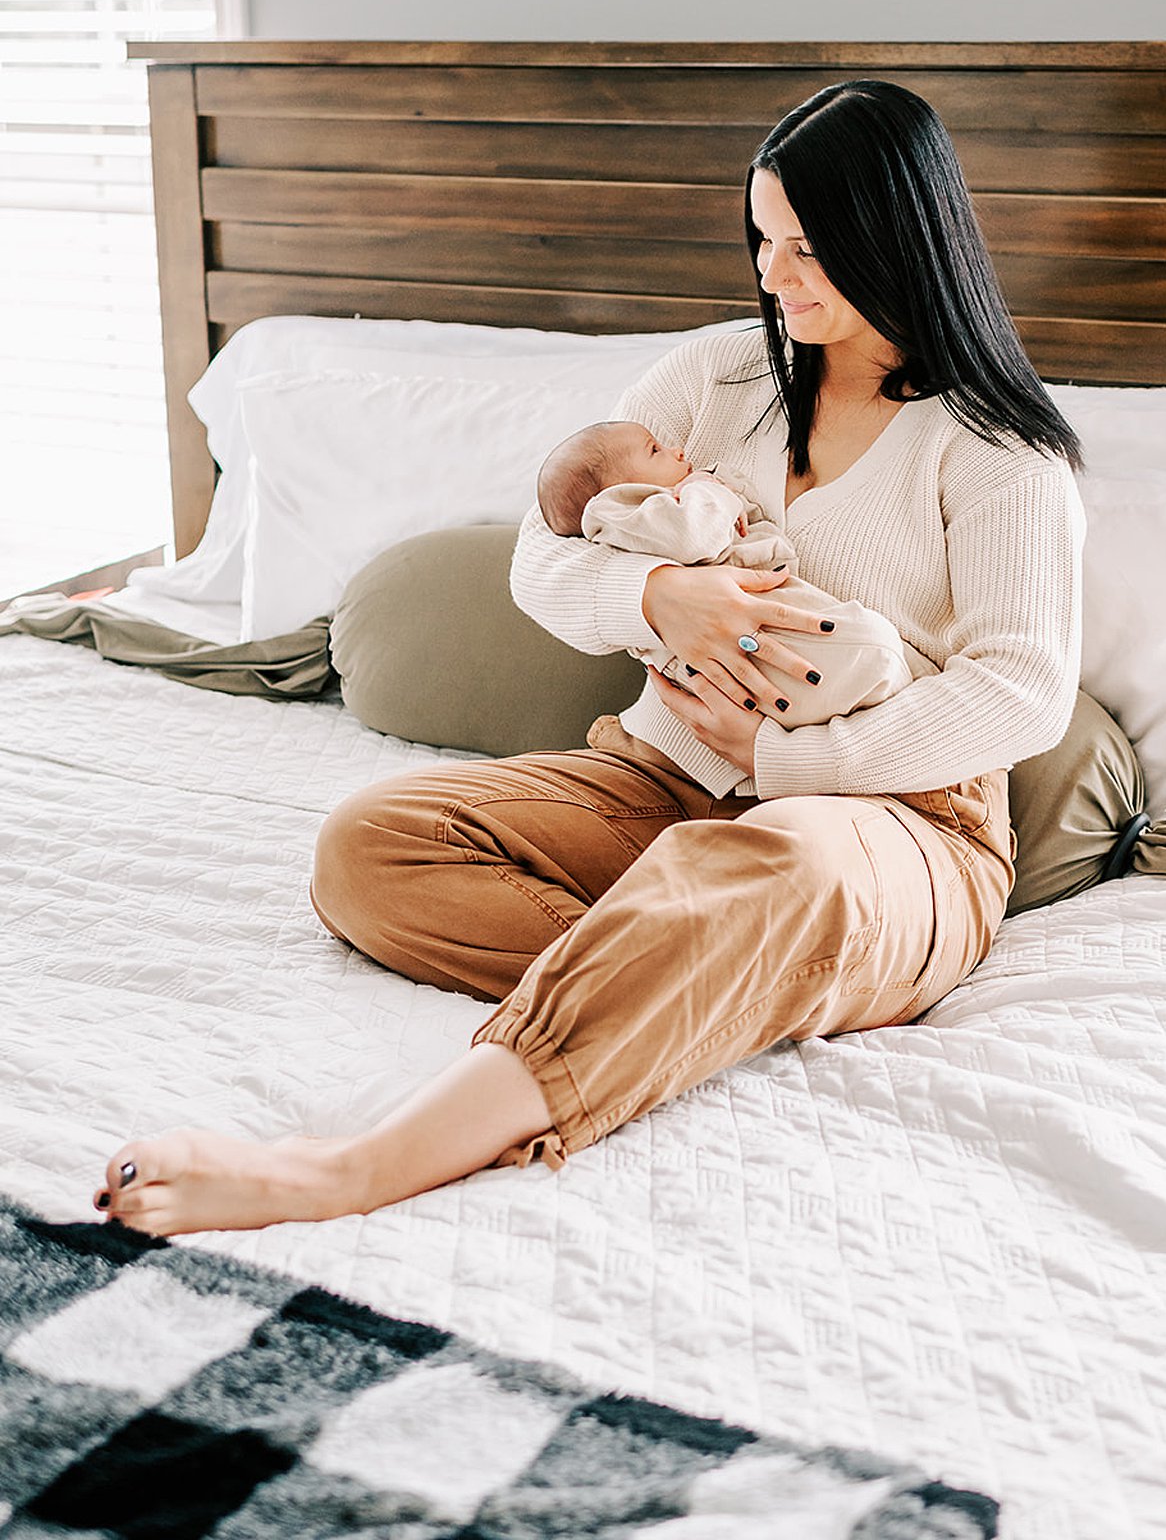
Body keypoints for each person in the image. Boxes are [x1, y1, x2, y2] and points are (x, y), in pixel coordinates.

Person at [94, 78, 1084, 1235]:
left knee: (778, 865)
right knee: (368, 847)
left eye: (808, 248)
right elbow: (541, 557)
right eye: (762, 240)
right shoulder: (713, 379)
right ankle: (717, 970)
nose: (774, 276)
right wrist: (663, 595)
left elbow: (1022, 692)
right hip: (655, 782)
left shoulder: (999, 451)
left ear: (894, 238)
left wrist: (780, 762)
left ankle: (351, 1167)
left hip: (891, 821)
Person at [535, 416, 932, 726]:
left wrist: (777, 757)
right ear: (613, 491)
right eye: (655, 450)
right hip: (732, 663)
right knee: (871, 645)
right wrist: (653, 592)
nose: (676, 450)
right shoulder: (622, 511)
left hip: (765, 639)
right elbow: (694, 535)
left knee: (889, 653)